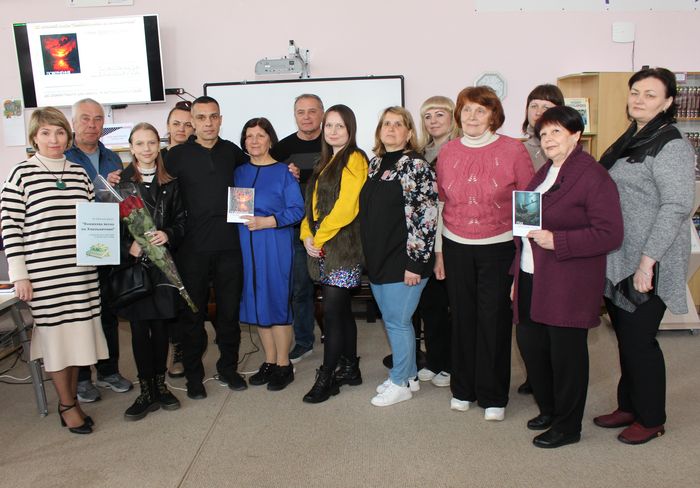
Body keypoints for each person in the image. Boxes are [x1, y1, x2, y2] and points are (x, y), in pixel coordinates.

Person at [512, 106, 623, 448]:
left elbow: (610, 234)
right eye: (544, 133)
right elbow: (526, 223)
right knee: (532, 347)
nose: (548, 139)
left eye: (556, 131)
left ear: (576, 135)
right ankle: (549, 409)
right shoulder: (545, 172)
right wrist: (515, 276)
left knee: (566, 356)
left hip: (567, 280)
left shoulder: (593, 176)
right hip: (531, 273)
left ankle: (568, 425)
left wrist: (558, 240)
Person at [596, 67, 696, 445]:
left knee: (640, 340)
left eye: (650, 95)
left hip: (650, 260)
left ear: (668, 102)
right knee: (625, 336)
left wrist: (647, 262)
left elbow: (676, 206)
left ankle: (652, 418)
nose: (639, 100)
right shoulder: (633, 138)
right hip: (621, 255)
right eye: (635, 92)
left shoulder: (671, 145)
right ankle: (629, 405)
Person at [1, 107, 109, 434]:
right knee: (56, 340)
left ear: (68, 136)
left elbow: (92, 222)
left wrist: (101, 249)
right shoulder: (21, 174)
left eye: (60, 132)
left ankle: (71, 398)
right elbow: (10, 227)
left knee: (78, 339)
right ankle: (66, 404)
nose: (54, 139)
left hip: (81, 273)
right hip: (45, 275)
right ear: (35, 137)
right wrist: (20, 274)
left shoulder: (78, 174)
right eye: (46, 133)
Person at [434, 86, 534, 421]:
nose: (472, 117)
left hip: (499, 247)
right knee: (462, 318)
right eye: (466, 110)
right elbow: (441, 203)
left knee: (494, 320)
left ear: (493, 116)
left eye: (480, 110)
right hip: (455, 245)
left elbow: (528, 205)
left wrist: (526, 255)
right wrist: (439, 252)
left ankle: (493, 396)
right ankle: (463, 389)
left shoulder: (514, 150)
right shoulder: (448, 152)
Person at [164, 95, 248, 399]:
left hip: (229, 246)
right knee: (192, 316)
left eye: (213, 117)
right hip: (191, 249)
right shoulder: (175, 156)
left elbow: (260, 173)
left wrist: (289, 171)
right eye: (201, 117)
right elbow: (147, 179)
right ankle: (193, 376)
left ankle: (229, 368)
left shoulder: (233, 152)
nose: (208, 123)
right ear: (193, 122)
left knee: (229, 313)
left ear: (221, 119)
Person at [359, 106, 438, 407]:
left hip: (404, 260)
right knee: (393, 321)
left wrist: (415, 264)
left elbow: (425, 218)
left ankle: (400, 382)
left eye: (398, 124)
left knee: (398, 322)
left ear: (409, 132)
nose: (391, 129)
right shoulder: (377, 163)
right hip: (379, 257)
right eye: (386, 124)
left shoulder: (415, 165)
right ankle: (409, 375)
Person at [115, 123, 186, 420]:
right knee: (139, 331)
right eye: (140, 143)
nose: (146, 149)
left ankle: (160, 385)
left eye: (152, 143)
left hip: (163, 267)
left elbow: (182, 221)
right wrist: (128, 247)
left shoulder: (171, 182)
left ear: (160, 146)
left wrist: (168, 234)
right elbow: (107, 231)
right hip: (135, 269)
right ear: (131, 148)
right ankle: (145, 390)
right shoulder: (119, 185)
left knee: (160, 328)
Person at [65, 98, 133, 403]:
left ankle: (108, 371)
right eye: (85, 119)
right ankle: (82, 378)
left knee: (107, 310)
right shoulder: (64, 156)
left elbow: (120, 200)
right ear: (73, 122)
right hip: (74, 247)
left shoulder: (112, 157)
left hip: (106, 242)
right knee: (81, 313)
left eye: (97, 119)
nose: (92, 125)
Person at [300, 104, 368, 404]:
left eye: (340, 125)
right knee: (340, 312)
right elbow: (311, 207)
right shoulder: (323, 161)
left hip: (343, 249)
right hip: (321, 245)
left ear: (350, 129)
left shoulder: (355, 158)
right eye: (329, 125)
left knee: (331, 313)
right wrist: (306, 235)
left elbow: (347, 207)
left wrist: (318, 236)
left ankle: (327, 376)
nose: (333, 130)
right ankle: (351, 369)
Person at [235, 118, 304, 391]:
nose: (254, 141)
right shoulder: (239, 172)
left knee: (276, 301)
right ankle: (270, 360)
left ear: (270, 140)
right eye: (249, 136)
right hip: (245, 246)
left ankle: (285, 365)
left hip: (274, 243)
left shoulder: (284, 172)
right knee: (257, 302)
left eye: (260, 135)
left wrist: (268, 221)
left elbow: (297, 210)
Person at [516, 83, 565, 395]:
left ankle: (551, 379)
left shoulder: (565, 149)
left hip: (555, 240)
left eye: (546, 106)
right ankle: (536, 376)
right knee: (527, 317)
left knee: (553, 317)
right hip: (524, 236)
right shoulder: (517, 147)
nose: (538, 112)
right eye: (534, 105)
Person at [270, 94, 324, 363]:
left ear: (322, 114)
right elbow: (269, 183)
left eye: (312, 111)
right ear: (295, 115)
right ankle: (304, 341)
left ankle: (338, 339)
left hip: (331, 229)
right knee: (300, 289)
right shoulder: (282, 149)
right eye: (301, 112)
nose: (306, 117)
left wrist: (304, 175)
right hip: (295, 230)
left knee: (335, 291)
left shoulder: (333, 142)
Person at [415, 96, 460, 388]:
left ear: (452, 117)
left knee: (452, 304)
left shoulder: (460, 149)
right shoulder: (419, 152)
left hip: (452, 235)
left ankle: (452, 363)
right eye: (427, 116)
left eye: (439, 114)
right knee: (430, 303)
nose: (433, 121)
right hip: (424, 238)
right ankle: (434, 358)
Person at [160, 100, 194, 379]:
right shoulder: (155, 156)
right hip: (163, 238)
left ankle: (189, 347)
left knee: (189, 295)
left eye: (187, 124)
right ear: (167, 126)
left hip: (193, 237)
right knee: (170, 295)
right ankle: (177, 347)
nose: (182, 129)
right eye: (176, 123)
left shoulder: (201, 153)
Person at [521, 85, 566, 172]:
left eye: (546, 108)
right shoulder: (519, 149)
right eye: (534, 106)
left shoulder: (567, 148)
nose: (538, 112)